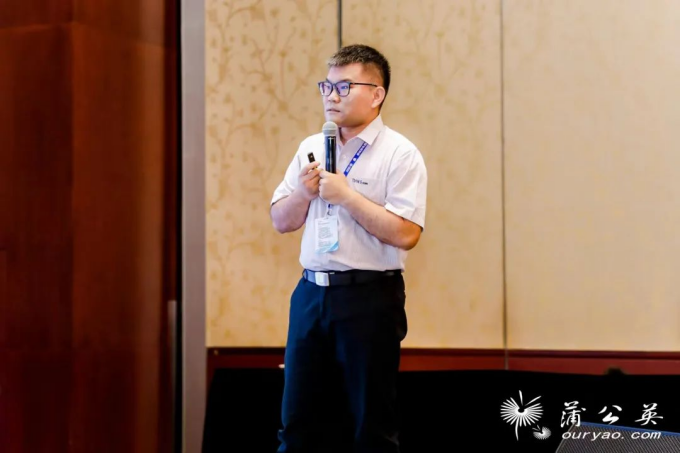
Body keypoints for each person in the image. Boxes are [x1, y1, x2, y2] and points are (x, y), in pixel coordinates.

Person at [270, 44, 427, 453]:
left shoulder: (400, 154)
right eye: (326, 86)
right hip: (310, 295)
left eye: (344, 87)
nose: (331, 96)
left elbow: (407, 233)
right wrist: (303, 194)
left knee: (370, 427)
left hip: (369, 298)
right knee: (297, 425)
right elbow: (281, 220)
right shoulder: (310, 146)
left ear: (376, 94)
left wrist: (347, 197)